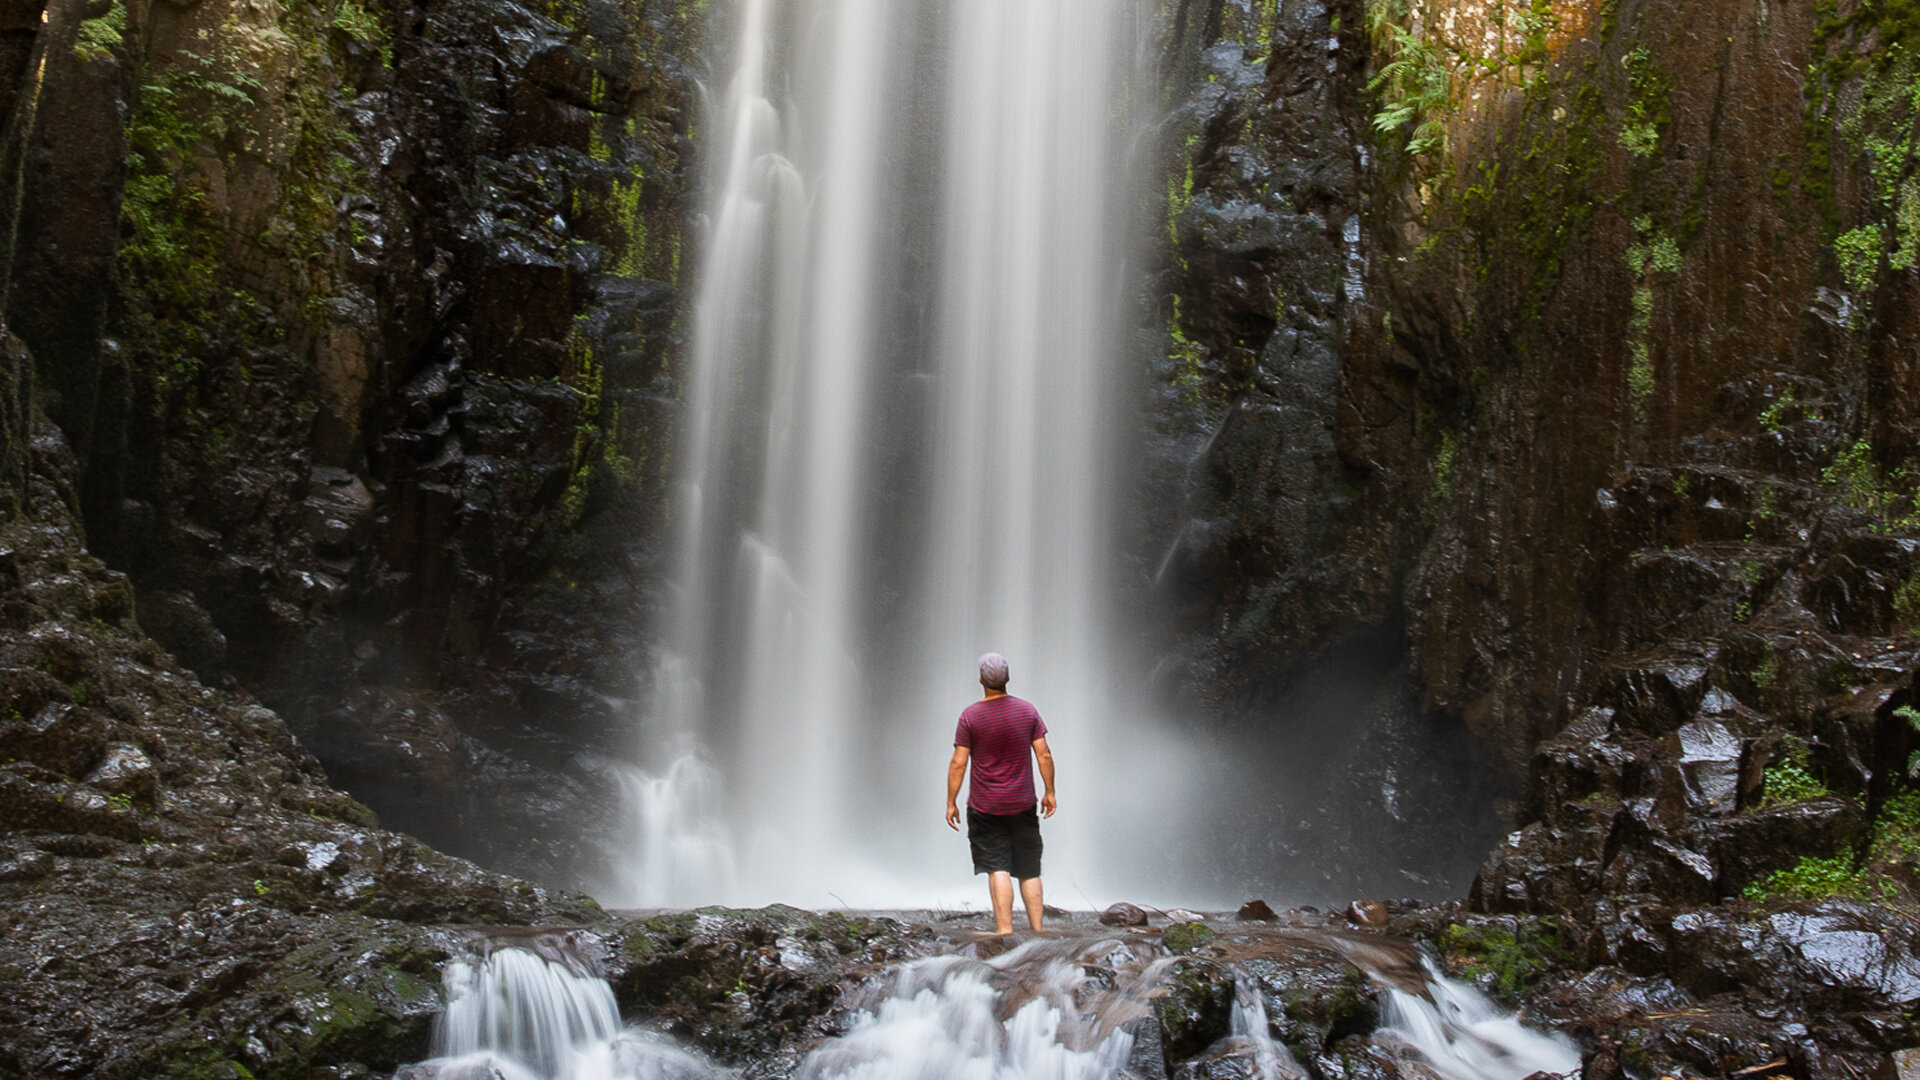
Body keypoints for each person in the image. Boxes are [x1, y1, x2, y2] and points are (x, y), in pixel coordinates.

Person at [944, 652, 1056, 934]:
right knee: (1029, 869)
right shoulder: (1027, 711)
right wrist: (1050, 792)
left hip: (986, 807)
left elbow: (959, 761)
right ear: (1007, 679)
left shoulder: (970, 716)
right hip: (1023, 803)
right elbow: (1044, 754)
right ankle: (1038, 931)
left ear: (981, 679)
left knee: (998, 868)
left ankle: (1005, 932)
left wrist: (951, 802)